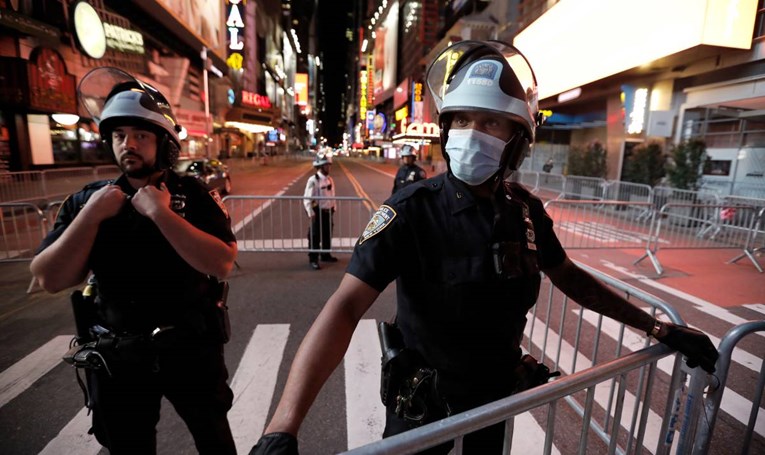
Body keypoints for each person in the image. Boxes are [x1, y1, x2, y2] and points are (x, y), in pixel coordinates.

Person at [250, 40, 719, 454]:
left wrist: (658, 329)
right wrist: (282, 427)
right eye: (463, 120)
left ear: (518, 141)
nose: (473, 132)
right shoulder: (409, 210)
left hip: (495, 398)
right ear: (446, 128)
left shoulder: (525, 211)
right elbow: (345, 307)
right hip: (420, 403)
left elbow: (570, 278)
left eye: (492, 122)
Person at [30, 67, 238, 454]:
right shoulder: (88, 201)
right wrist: (92, 215)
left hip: (189, 348)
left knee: (215, 441)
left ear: (163, 142)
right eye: (119, 136)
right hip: (120, 356)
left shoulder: (192, 196)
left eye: (141, 135)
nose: (129, 144)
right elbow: (49, 277)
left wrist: (162, 214)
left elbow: (222, 263)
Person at [303, 152, 337, 270]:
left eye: (329, 165)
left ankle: (326, 254)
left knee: (327, 234)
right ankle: (313, 259)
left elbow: (332, 195)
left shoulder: (329, 179)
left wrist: (334, 207)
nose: (329, 167)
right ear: (320, 166)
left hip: (328, 211)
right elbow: (308, 198)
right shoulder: (314, 180)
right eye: (326, 165)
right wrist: (310, 212)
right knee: (315, 236)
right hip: (318, 213)